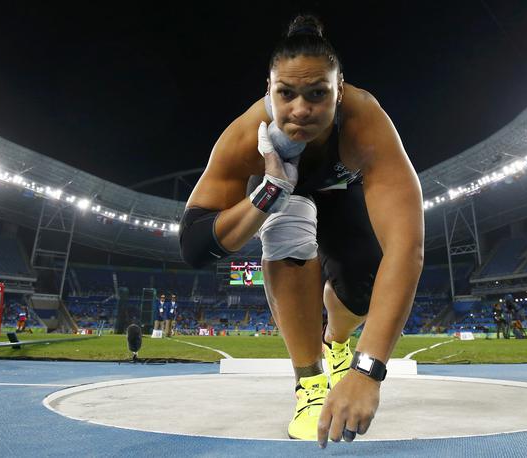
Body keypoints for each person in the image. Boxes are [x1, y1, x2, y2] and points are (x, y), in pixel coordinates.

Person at [179, 15, 423, 446]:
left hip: (343, 202)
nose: (301, 110)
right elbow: (195, 244)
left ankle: (337, 338)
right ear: (269, 91)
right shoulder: (245, 135)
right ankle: (310, 382)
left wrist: (368, 370)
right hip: (282, 197)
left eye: (318, 94)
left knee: (364, 291)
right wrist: (269, 191)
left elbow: (406, 248)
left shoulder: (365, 122)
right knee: (286, 223)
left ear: (340, 90)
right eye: (286, 93)